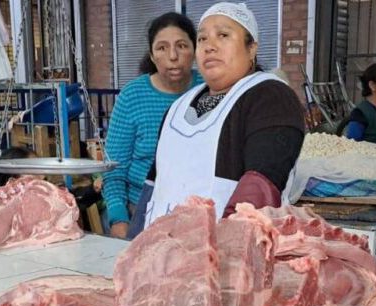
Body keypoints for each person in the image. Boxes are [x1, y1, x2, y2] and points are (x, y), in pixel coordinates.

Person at [132, 2, 305, 235]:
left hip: (223, 256)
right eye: (202, 39)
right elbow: (153, 186)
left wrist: (218, 253)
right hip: (161, 254)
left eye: (223, 35)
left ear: (252, 48)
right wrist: (133, 246)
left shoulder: (270, 97)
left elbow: (260, 187)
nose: (209, 46)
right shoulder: (178, 108)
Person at [103, 12, 202, 239]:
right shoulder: (132, 97)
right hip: (141, 211)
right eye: (162, 48)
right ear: (152, 55)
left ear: (194, 51)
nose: (173, 56)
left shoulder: (209, 89)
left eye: (181, 46)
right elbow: (113, 170)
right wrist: (119, 221)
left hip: (196, 215)